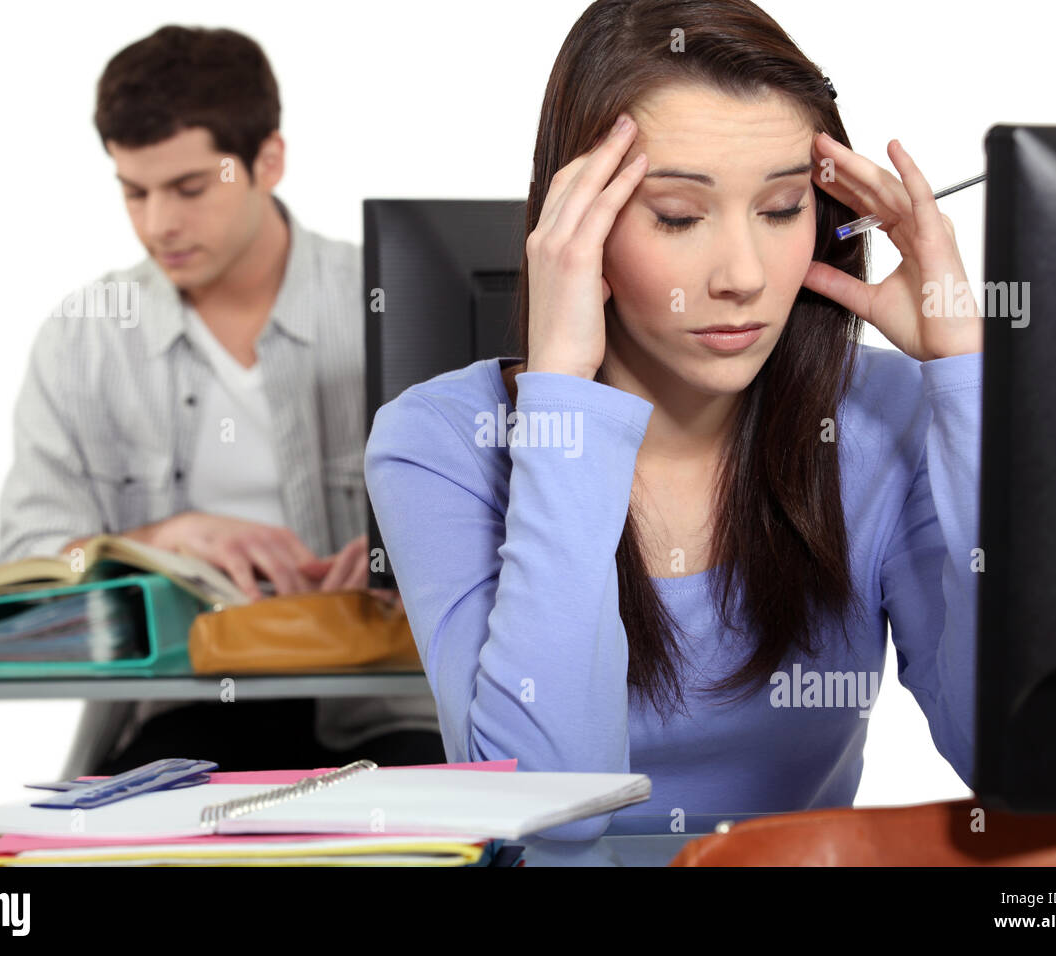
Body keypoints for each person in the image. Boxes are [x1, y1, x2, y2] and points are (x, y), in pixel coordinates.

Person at [364, 0, 983, 841]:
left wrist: (966, 378)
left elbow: (1008, 755)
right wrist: (564, 404)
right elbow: (549, 813)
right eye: (679, 217)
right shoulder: (437, 443)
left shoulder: (881, 415)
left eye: (781, 209)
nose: (740, 275)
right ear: (575, 221)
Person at [0, 25, 443, 776]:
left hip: (384, 704)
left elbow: (506, 533)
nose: (157, 224)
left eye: (190, 188)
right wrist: (164, 537)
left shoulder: (394, 301)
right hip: (186, 705)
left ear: (269, 160)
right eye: (133, 192)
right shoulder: (85, 340)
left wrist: (402, 561)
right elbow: (26, 562)